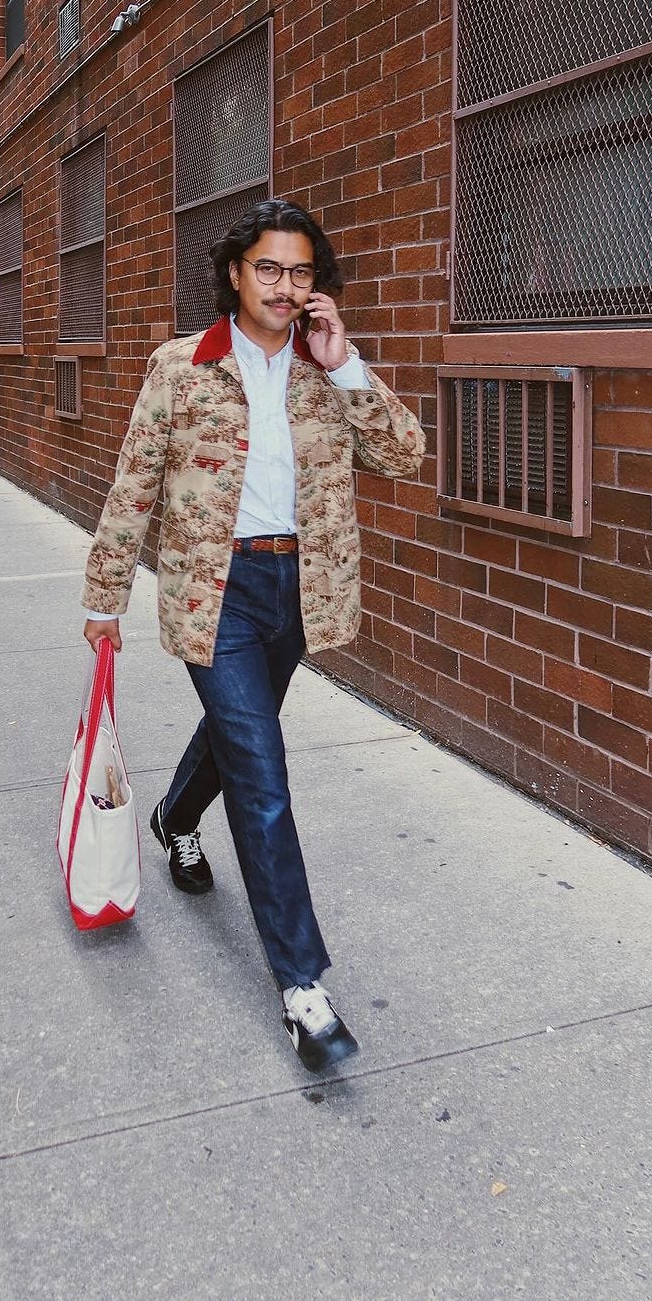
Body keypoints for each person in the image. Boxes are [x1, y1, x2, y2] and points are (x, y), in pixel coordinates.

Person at [81, 199, 425, 1071]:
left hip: (299, 589)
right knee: (264, 777)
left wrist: (348, 369)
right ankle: (303, 989)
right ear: (234, 274)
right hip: (215, 593)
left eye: (301, 271)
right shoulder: (182, 367)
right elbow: (134, 485)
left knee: (240, 738)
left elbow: (406, 454)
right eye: (268, 268)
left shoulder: (325, 369)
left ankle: (174, 814)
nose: (285, 285)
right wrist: (104, 596)